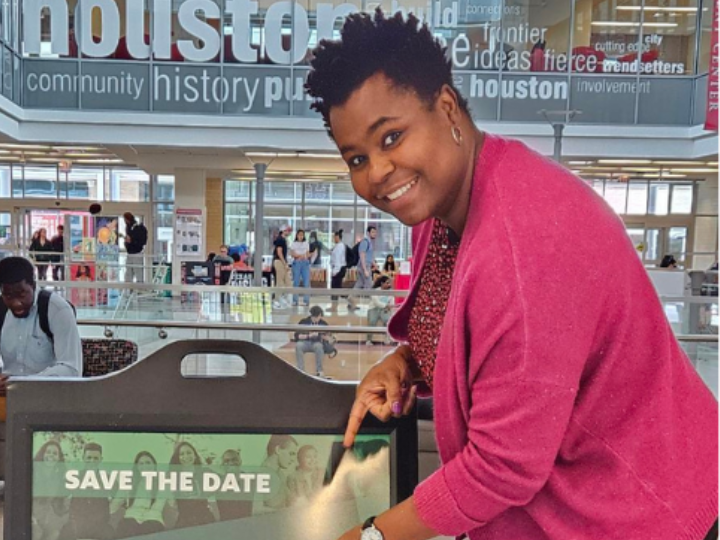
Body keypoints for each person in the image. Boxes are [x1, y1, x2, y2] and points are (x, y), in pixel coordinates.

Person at [305, 11, 718, 540]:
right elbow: (492, 347)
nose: (376, 172)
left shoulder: (527, 244)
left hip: (641, 512)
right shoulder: (449, 205)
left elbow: (502, 469)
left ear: (448, 108)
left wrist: (370, 536)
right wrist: (407, 362)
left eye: (391, 138)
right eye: (356, 157)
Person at [59, 443, 114, 540]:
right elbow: (60, 496)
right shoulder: (74, 477)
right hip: (77, 524)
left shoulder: (108, 478)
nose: (92, 461)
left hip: (100, 526)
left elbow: (121, 496)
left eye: (95, 458)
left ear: (101, 459)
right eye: (89, 457)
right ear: (83, 458)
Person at [113, 451, 166, 538]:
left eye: (148, 463)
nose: (145, 466)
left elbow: (170, 504)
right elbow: (115, 503)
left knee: (149, 527)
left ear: (154, 465)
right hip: (131, 517)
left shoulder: (163, 483)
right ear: (137, 467)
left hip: (153, 518)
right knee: (128, 524)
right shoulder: (129, 483)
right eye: (141, 463)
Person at [168, 442, 216, 529]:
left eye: (189, 452)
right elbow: (172, 502)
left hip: (204, 518)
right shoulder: (174, 476)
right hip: (185, 520)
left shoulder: (205, 472)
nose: (186, 456)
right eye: (181, 454)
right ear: (177, 458)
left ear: (195, 455)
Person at [32, 440, 69, 540]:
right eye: (48, 452)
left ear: (59, 458)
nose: (51, 455)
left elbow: (61, 504)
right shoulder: (32, 472)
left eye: (55, 453)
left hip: (47, 519)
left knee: (54, 533)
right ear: (42, 454)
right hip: (31, 517)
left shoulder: (59, 478)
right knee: (36, 533)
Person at [261, 435, 299, 510]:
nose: (293, 459)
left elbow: (292, 500)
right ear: (278, 449)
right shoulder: (261, 475)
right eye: (291, 453)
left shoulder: (280, 474)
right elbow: (254, 511)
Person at [216, 449, 253, 522]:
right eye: (227, 461)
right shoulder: (218, 483)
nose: (231, 463)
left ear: (240, 461)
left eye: (234, 459)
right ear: (223, 464)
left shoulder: (250, 480)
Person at [294, 305, 330, 377]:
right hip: (305, 342)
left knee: (319, 346)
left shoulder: (323, 324)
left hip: (317, 343)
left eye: (318, 317)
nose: (316, 319)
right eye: (314, 317)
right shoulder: (304, 321)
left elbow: (328, 338)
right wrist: (308, 336)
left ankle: (319, 370)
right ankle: (301, 370)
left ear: (320, 315)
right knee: (298, 345)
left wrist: (319, 335)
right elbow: (297, 336)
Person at [348, 226, 377, 311]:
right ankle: (373, 307)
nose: (374, 234)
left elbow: (369, 255)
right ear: (368, 233)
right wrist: (365, 269)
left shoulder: (369, 242)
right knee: (369, 285)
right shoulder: (365, 241)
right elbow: (362, 255)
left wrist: (374, 263)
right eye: (372, 232)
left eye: (375, 232)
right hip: (364, 266)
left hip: (366, 265)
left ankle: (351, 299)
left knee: (359, 284)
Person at [366, 275, 394, 346]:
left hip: (384, 309)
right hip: (374, 308)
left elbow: (392, 302)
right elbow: (376, 303)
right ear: (382, 283)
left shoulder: (390, 292)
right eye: (387, 283)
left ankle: (387, 339)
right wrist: (386, 305)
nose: (389, 284)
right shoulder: (376, 291)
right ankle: (369, 340)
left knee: (387, 320)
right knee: (372, 321)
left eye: (389, 283)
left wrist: (389, 307)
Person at [123, 212, 148, 284]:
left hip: (136, 252)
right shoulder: (129, 227)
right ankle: (129, 289)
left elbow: (139, 241)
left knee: (136, 272)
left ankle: (137, 289)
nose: (125, 221)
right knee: (129, 272)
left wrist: (131, 241)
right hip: (131, 252)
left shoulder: (136, 228)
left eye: (125, 219)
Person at [272, 225, 292, 309]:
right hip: (279, 262)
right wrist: (285, 263)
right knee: (279, 282)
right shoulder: (280, 239)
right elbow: (279, 252)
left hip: (282, 262)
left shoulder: (283, 240)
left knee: (288, 283)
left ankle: (285, 299)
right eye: (287, 231)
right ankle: (276, 300)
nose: (289, 232)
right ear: (283, 231)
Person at [290, 229, 311, 306]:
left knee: (306, 282)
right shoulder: (294, 244)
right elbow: (292, 254)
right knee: (296, 282)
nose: (300, 236)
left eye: (302, 235)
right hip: (297, 263)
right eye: (299, 235)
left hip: (305, 263)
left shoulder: (306, 243)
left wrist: (300, 255)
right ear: (297, 235)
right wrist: (301, 255)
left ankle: (306, 300)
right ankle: (295, 300)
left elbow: (307, 254)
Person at [330, 230, 348, 311]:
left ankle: (334, 306)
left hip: (338, 269)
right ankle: (351, 300)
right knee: (338, 288)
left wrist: (335, 271)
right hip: (339, 269)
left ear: (337, 237)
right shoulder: (338, 246)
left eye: (334, 236)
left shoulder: (340, 247)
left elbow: (338, 260)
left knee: (336, 289)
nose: (333, 238)